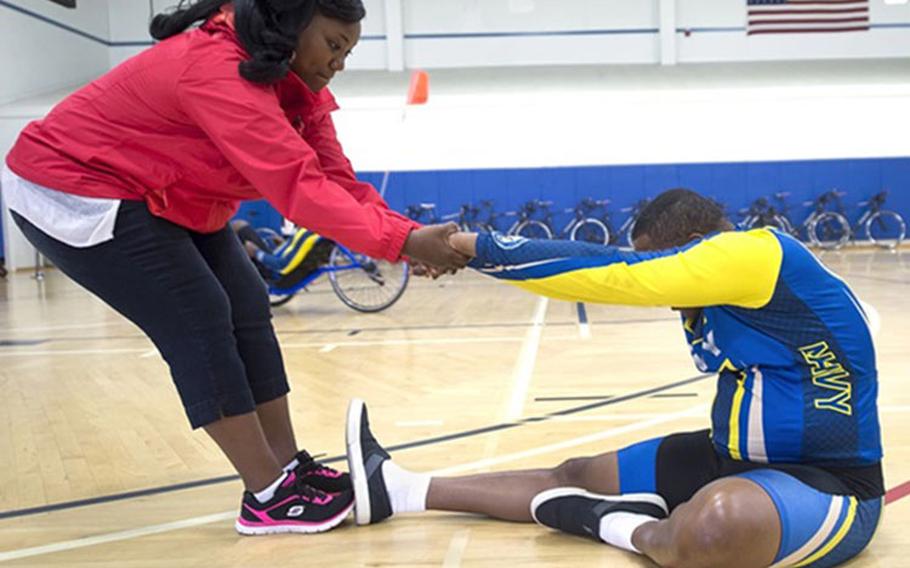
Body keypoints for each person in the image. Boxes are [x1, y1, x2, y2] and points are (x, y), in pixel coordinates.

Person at [1, 0, 467, 536]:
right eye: (334, 45)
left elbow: (334, 178)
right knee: (198, 310)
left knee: (246, 300)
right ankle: (268, 494)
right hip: (75, 182)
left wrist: (407, 238)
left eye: (349, 51)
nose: (339, 62)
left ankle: (289, 469)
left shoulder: (300, 87)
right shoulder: (216, 69)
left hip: (163, 190)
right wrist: (403, 240)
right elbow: (297, 188)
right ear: (291, 26)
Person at [346, 189, 884, 567]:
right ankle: (399, 488)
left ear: (697, 244)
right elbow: (606, 259)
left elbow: (611, 276)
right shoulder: (718, 284)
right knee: (573, 470)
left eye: (662, 265)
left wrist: (471, 246)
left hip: (830, 482)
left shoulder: (754, 254)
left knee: (715, 528)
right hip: (732, 459)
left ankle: (613, 523)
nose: (664, 293)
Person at [231, 219, 335, 288]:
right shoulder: (311, 231)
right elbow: (294, 251)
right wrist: (284, 244)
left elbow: (282, 266)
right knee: (238, 227)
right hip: (275, 261)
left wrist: (256, 252)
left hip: (275, 273)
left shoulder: (310, 238)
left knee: (238, 227)